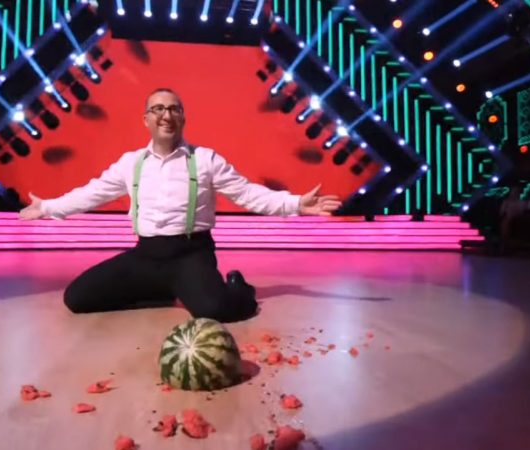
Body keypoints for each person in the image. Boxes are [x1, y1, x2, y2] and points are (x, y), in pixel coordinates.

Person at [20, 88, 341, 322]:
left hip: (191, 255)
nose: (166, 115)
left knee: (215, 311)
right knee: (76, 299)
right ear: (146, 119)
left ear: (183, 117)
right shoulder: (131, 163)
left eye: (174, 109)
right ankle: (159, 292)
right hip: (145, 255)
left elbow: (247, 193)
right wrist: (47, 208)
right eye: (158, 109)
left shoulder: (205, 159)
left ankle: (239, 287)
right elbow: (93, 192)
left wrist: (296, 203)